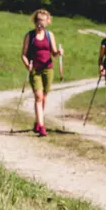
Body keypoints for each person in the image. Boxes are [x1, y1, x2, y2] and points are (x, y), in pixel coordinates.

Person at [21, 8, 63, 137]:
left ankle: (37, 122)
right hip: (35, 70)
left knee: (44, 97)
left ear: (47, 22)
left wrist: (59, 53)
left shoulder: (50, 35)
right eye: (39, 20)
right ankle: (42, 127)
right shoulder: (30, 35)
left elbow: (54, 53)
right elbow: (23, 54)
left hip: (48, 69)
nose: (41, 23)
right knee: (38, 97)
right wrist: (28, 65)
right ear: (35, 21)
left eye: (43, 20)